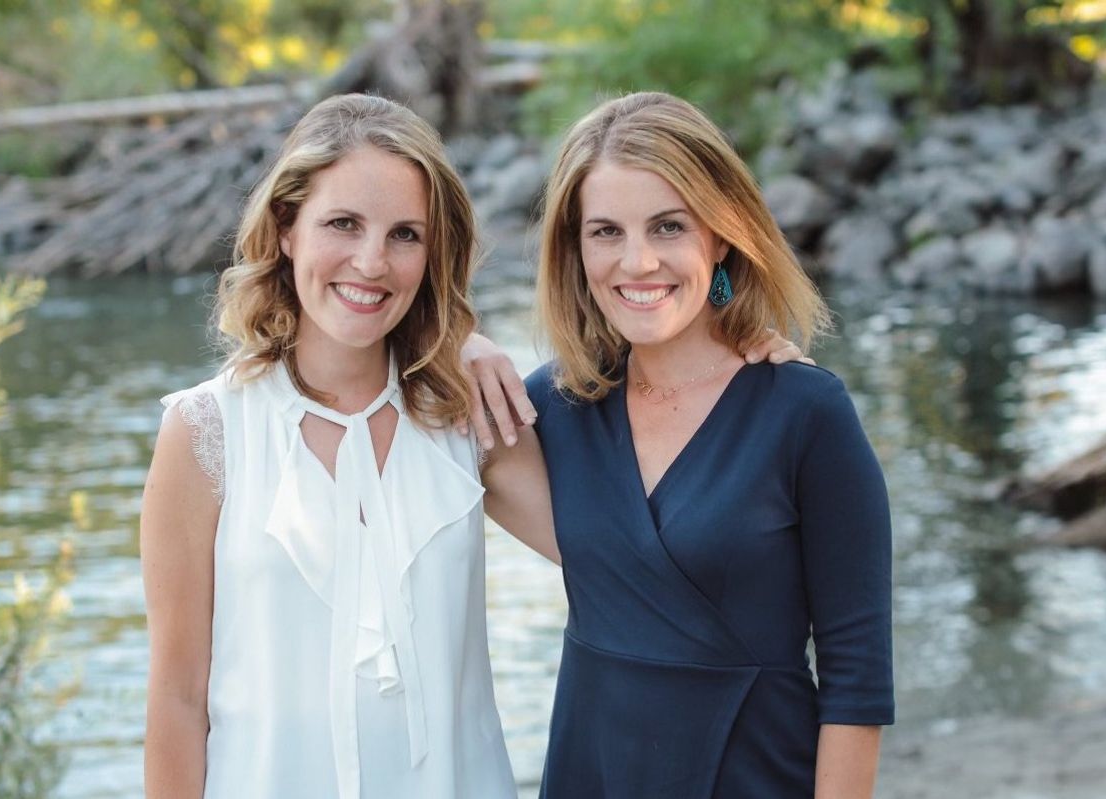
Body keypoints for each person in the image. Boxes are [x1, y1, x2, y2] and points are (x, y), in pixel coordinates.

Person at [140, 93, 554, 799]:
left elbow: (623, 551)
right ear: (288, 227)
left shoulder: (467, 412)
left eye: (405, 235)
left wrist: (735, 351)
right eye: (343, 223)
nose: (371, 261)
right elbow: (179, 697)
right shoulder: (207, 431)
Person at [518, 91, 895, 798]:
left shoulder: (807, 412)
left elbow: (857, 679)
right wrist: (474, 349)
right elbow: (404, 407)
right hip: (590, 774)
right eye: (605, 232)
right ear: (574, 248)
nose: (637, 262)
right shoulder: (550, 407)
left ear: (720, 233)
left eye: (668, 227)